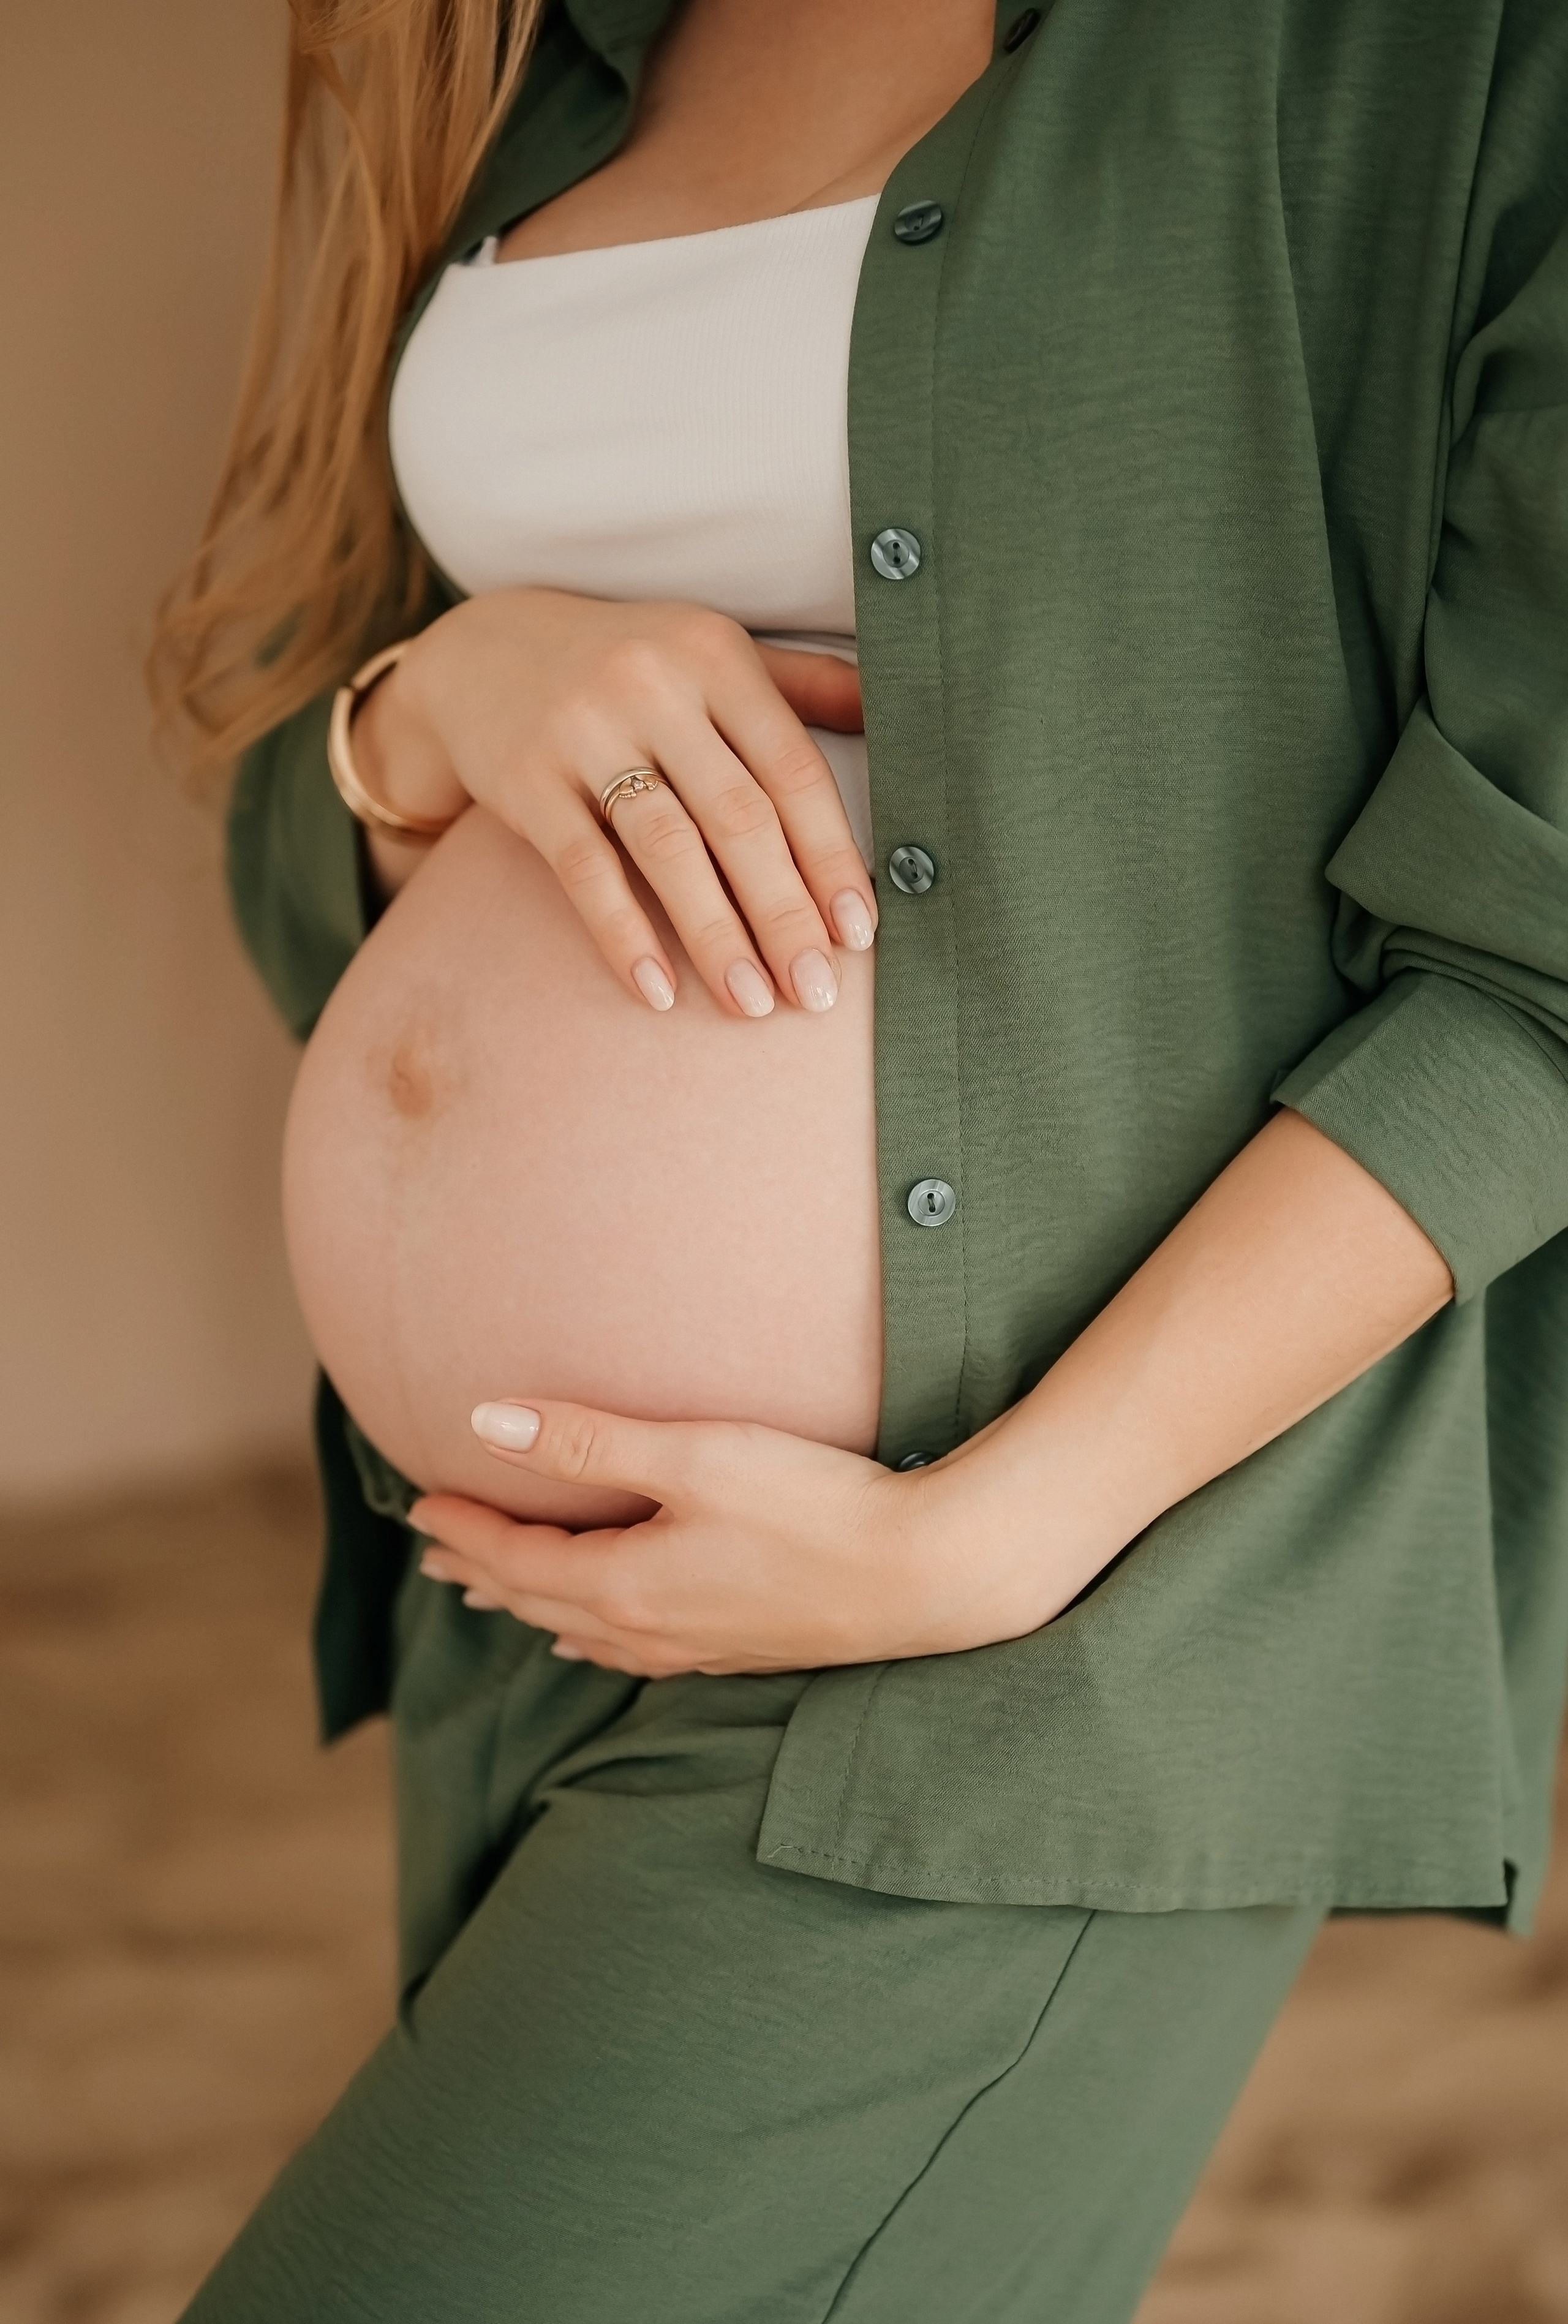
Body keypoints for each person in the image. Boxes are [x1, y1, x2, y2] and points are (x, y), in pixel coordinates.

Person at [154, 1, 1568, 2316]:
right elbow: (292, 843)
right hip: (511, 1605)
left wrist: (987, 1540)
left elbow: (1541, 956)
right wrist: (430, 707)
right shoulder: (523, 55)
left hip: (1011, 1630)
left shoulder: (1434, 51)